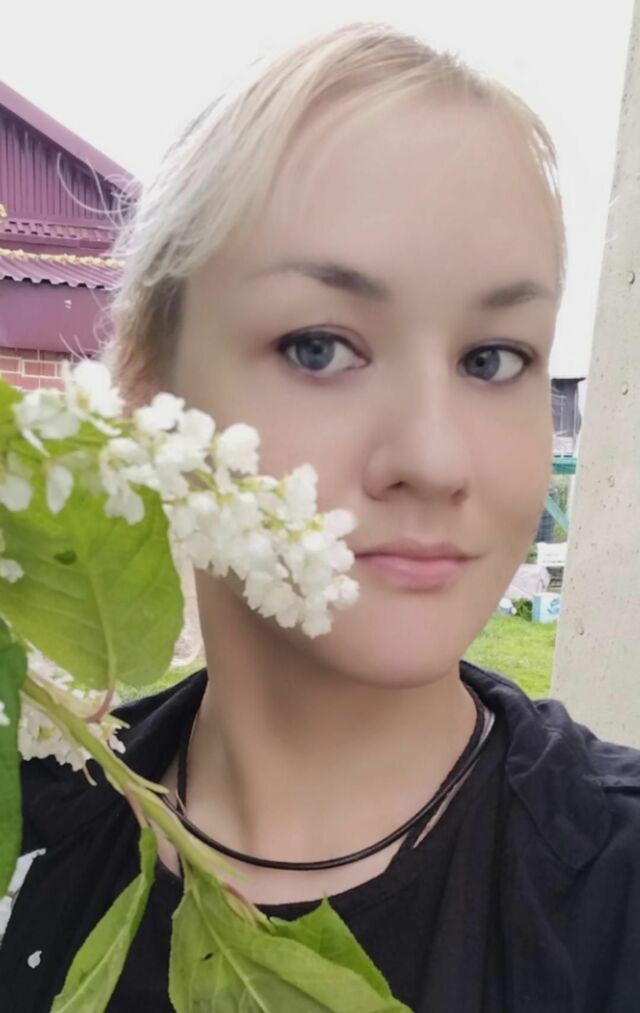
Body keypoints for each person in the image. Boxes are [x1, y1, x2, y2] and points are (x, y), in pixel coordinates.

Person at [2, 22, 640, 1013]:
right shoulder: (28, 847)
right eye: (319, 347)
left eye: (492, 358)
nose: (434, 458)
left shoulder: (613, 897)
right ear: (145, 386)